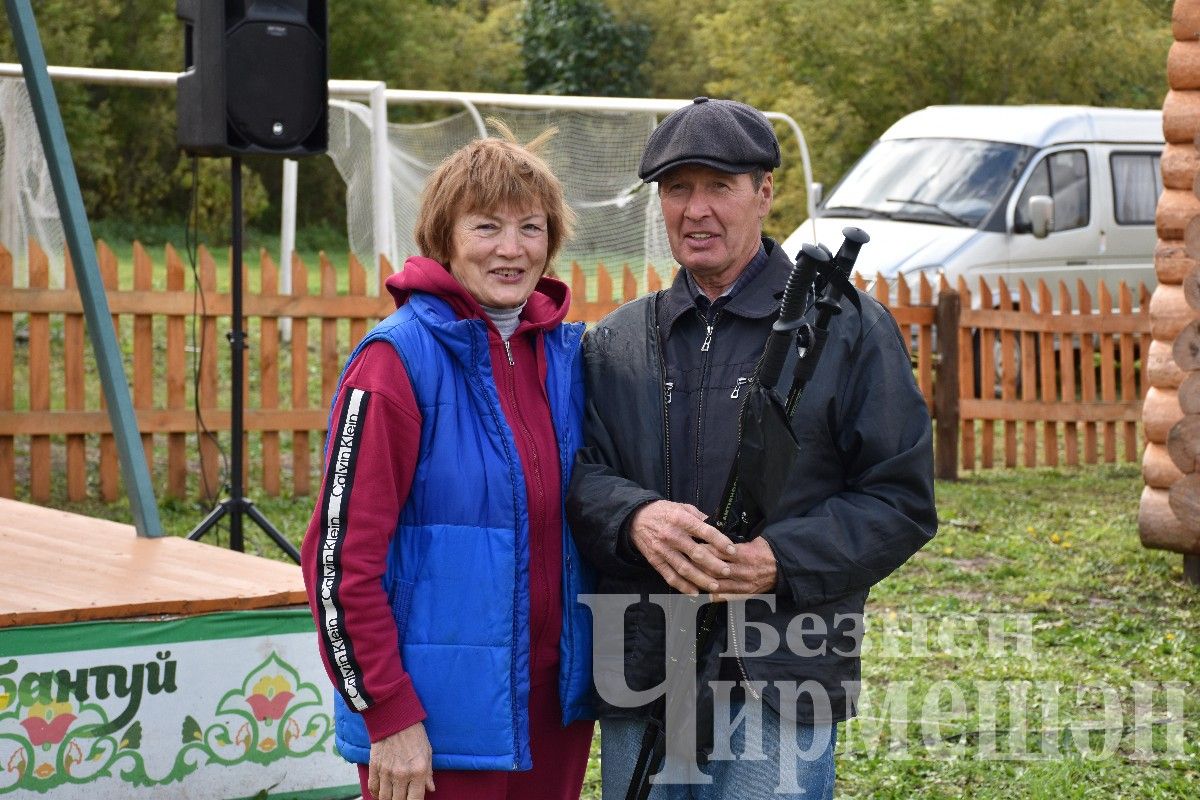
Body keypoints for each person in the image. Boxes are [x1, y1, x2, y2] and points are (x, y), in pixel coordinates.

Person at [566, 97, 937, 799]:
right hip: (646, 671)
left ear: (764, 193)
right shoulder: (618, 343)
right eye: (678, 188)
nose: (695, 209)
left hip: (783, 676)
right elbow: (580, 476)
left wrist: (781, 560)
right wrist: (635, 517)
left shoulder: (846, 330)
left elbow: (901, 499)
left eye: (718, 186)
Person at [301, 123, 595, 800]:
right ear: (445, 237)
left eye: (531, 228)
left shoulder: (566, 357)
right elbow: (338, 561)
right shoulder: (395, 361)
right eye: (487, 226)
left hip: (551, 713)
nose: (512, 249)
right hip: (433, 729)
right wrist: (388, 715)